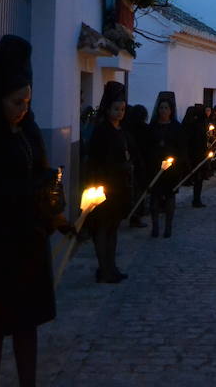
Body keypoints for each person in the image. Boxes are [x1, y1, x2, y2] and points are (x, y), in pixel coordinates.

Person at [0, 35, 72, 387]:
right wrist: (33, 201)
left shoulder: (26, 131)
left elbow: (39, 175)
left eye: (27, 100)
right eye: (15, 101)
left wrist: (55, 212)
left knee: (27, 326)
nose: (22, 108)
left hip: (28, 246)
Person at [86, 81, 133, 282]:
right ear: (107, 109)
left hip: (119, 186)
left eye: (122, 109)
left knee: (113, 228)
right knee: (103, 228)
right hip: (104, 187)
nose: (119, 112)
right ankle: (104, 268)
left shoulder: (120, 130)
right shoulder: (102, 131)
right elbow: (97, 160)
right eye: (116, 109)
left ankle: (111, 266)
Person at [145, 92, 186, 238]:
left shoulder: (176, 127)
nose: (163, 111)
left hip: (171, 170)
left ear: (171, 110)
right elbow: (147, 146)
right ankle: (155, 226)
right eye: (161, 108)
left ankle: (168, 226)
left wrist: (176, 162)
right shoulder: (152, 127)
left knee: (169, 197)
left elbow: (181, 147)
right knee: (154, 198)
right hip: (155, 167)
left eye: (166, 108)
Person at [123, 105, 149, 228]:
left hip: (130, 162)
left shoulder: (126, 127)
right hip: (139, 162)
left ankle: (131, 214)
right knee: (138, 190)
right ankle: (136, 216)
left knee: (132, 190)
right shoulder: (144, 129)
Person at [182, 105, 208, 208]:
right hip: (191, 155)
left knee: (198, 178)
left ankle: (196, 199)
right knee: (195, 178)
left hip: (198, 155)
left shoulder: (198, 125)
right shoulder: (190, 125)